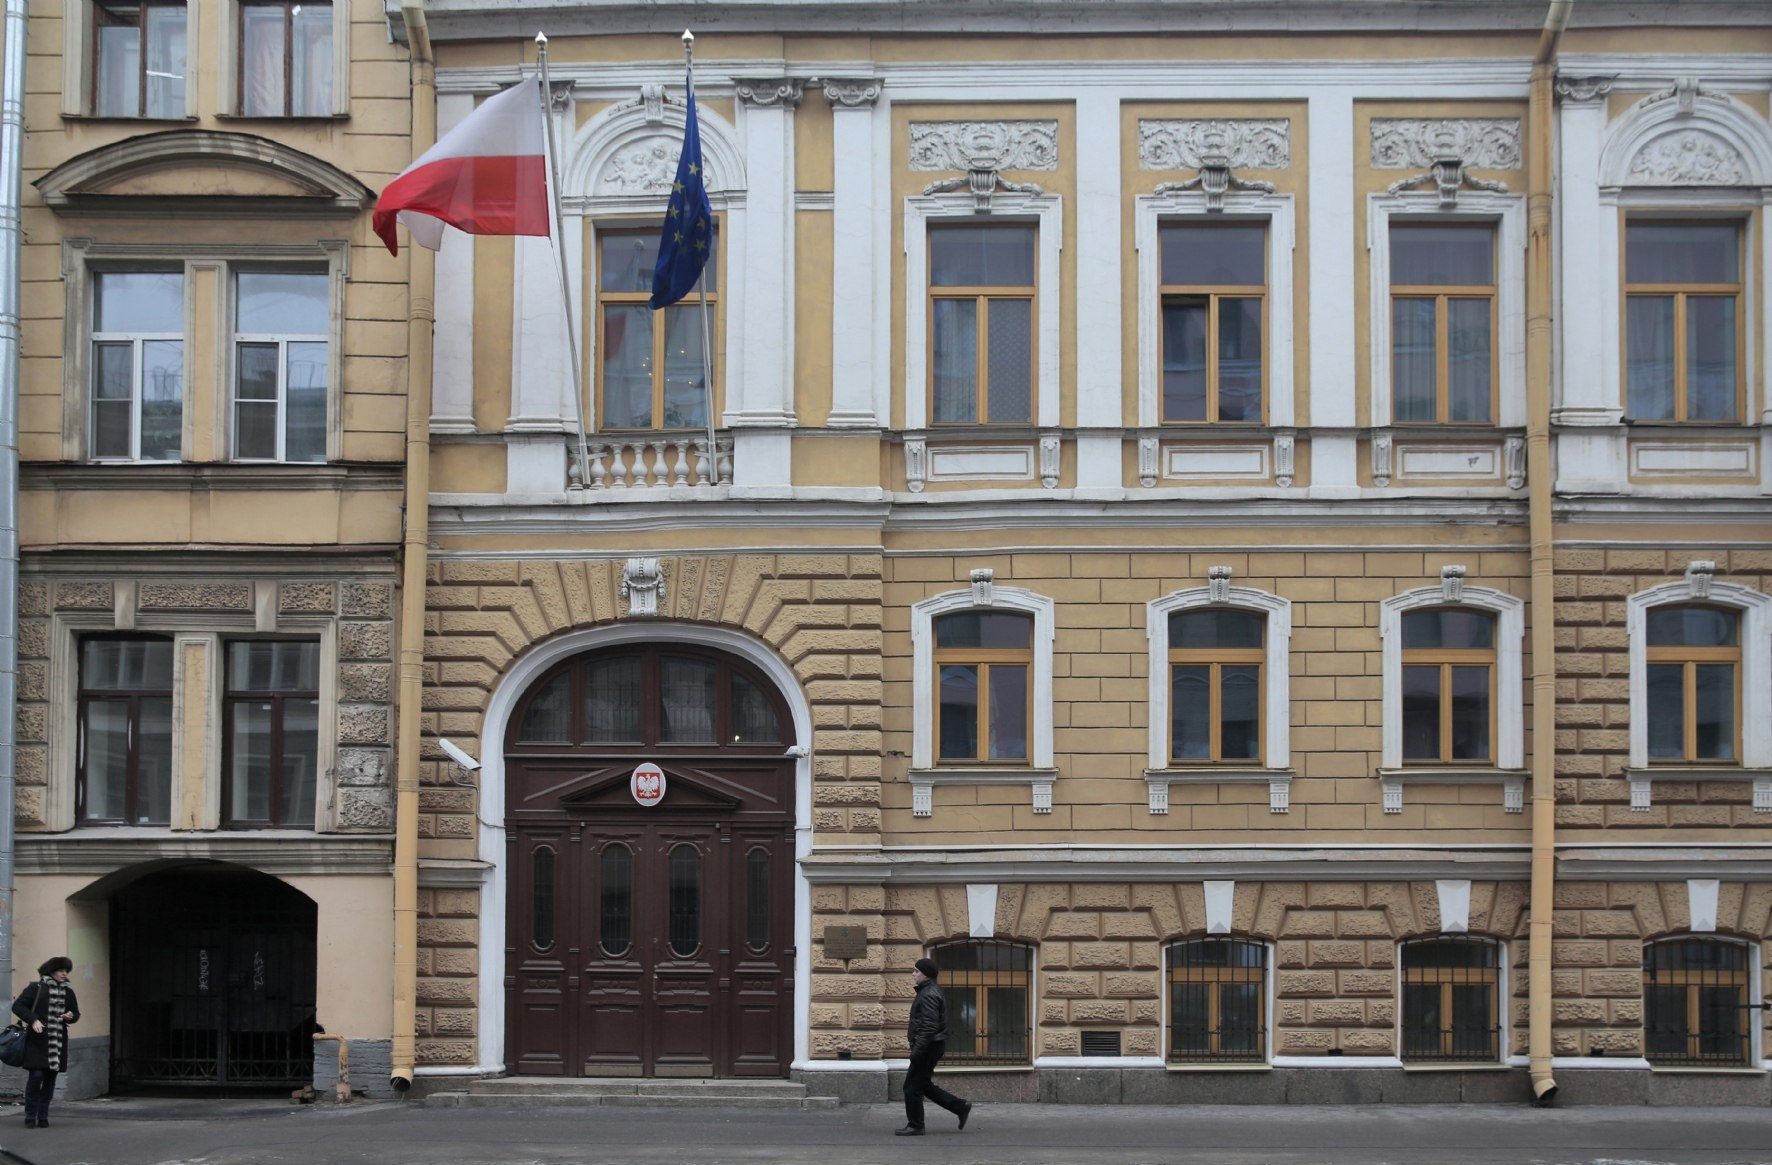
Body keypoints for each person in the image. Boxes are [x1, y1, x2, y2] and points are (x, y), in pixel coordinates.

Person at [895, 957, 973, 1136]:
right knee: (922, 1084)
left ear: (926, 974)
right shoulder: (928, 991)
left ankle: (916, 1125)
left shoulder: (929, 994)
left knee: (912, 1087)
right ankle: (960, 1107)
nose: (913, 974)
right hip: (931, 1045)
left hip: (929, 1046)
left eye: (916, 971)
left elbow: (929, 1027)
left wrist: (917, 1051)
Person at [12, 956, 79, 1129]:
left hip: (57, 1042)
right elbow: (18, 1006)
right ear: (51, 971)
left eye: (66, 971)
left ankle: (43, 1115)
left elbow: (75, 1014)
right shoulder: (36, 988)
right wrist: (33, 1020)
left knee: (50, 1080)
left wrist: (70, 1016)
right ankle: (29, 1115)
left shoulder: (68, 992)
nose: (64, 974)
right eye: (61, 970)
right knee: (36, 1076)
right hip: (37, 1041)